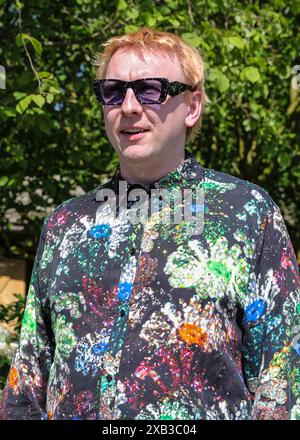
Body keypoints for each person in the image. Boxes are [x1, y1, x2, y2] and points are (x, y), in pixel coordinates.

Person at [0, 27, 299, 420]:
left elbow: (282, 381)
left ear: (192, 106)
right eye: (112, 91)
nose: (128, 106)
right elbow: (26, 382)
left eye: (150, 89)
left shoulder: (247, 213)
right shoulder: (65, 224)